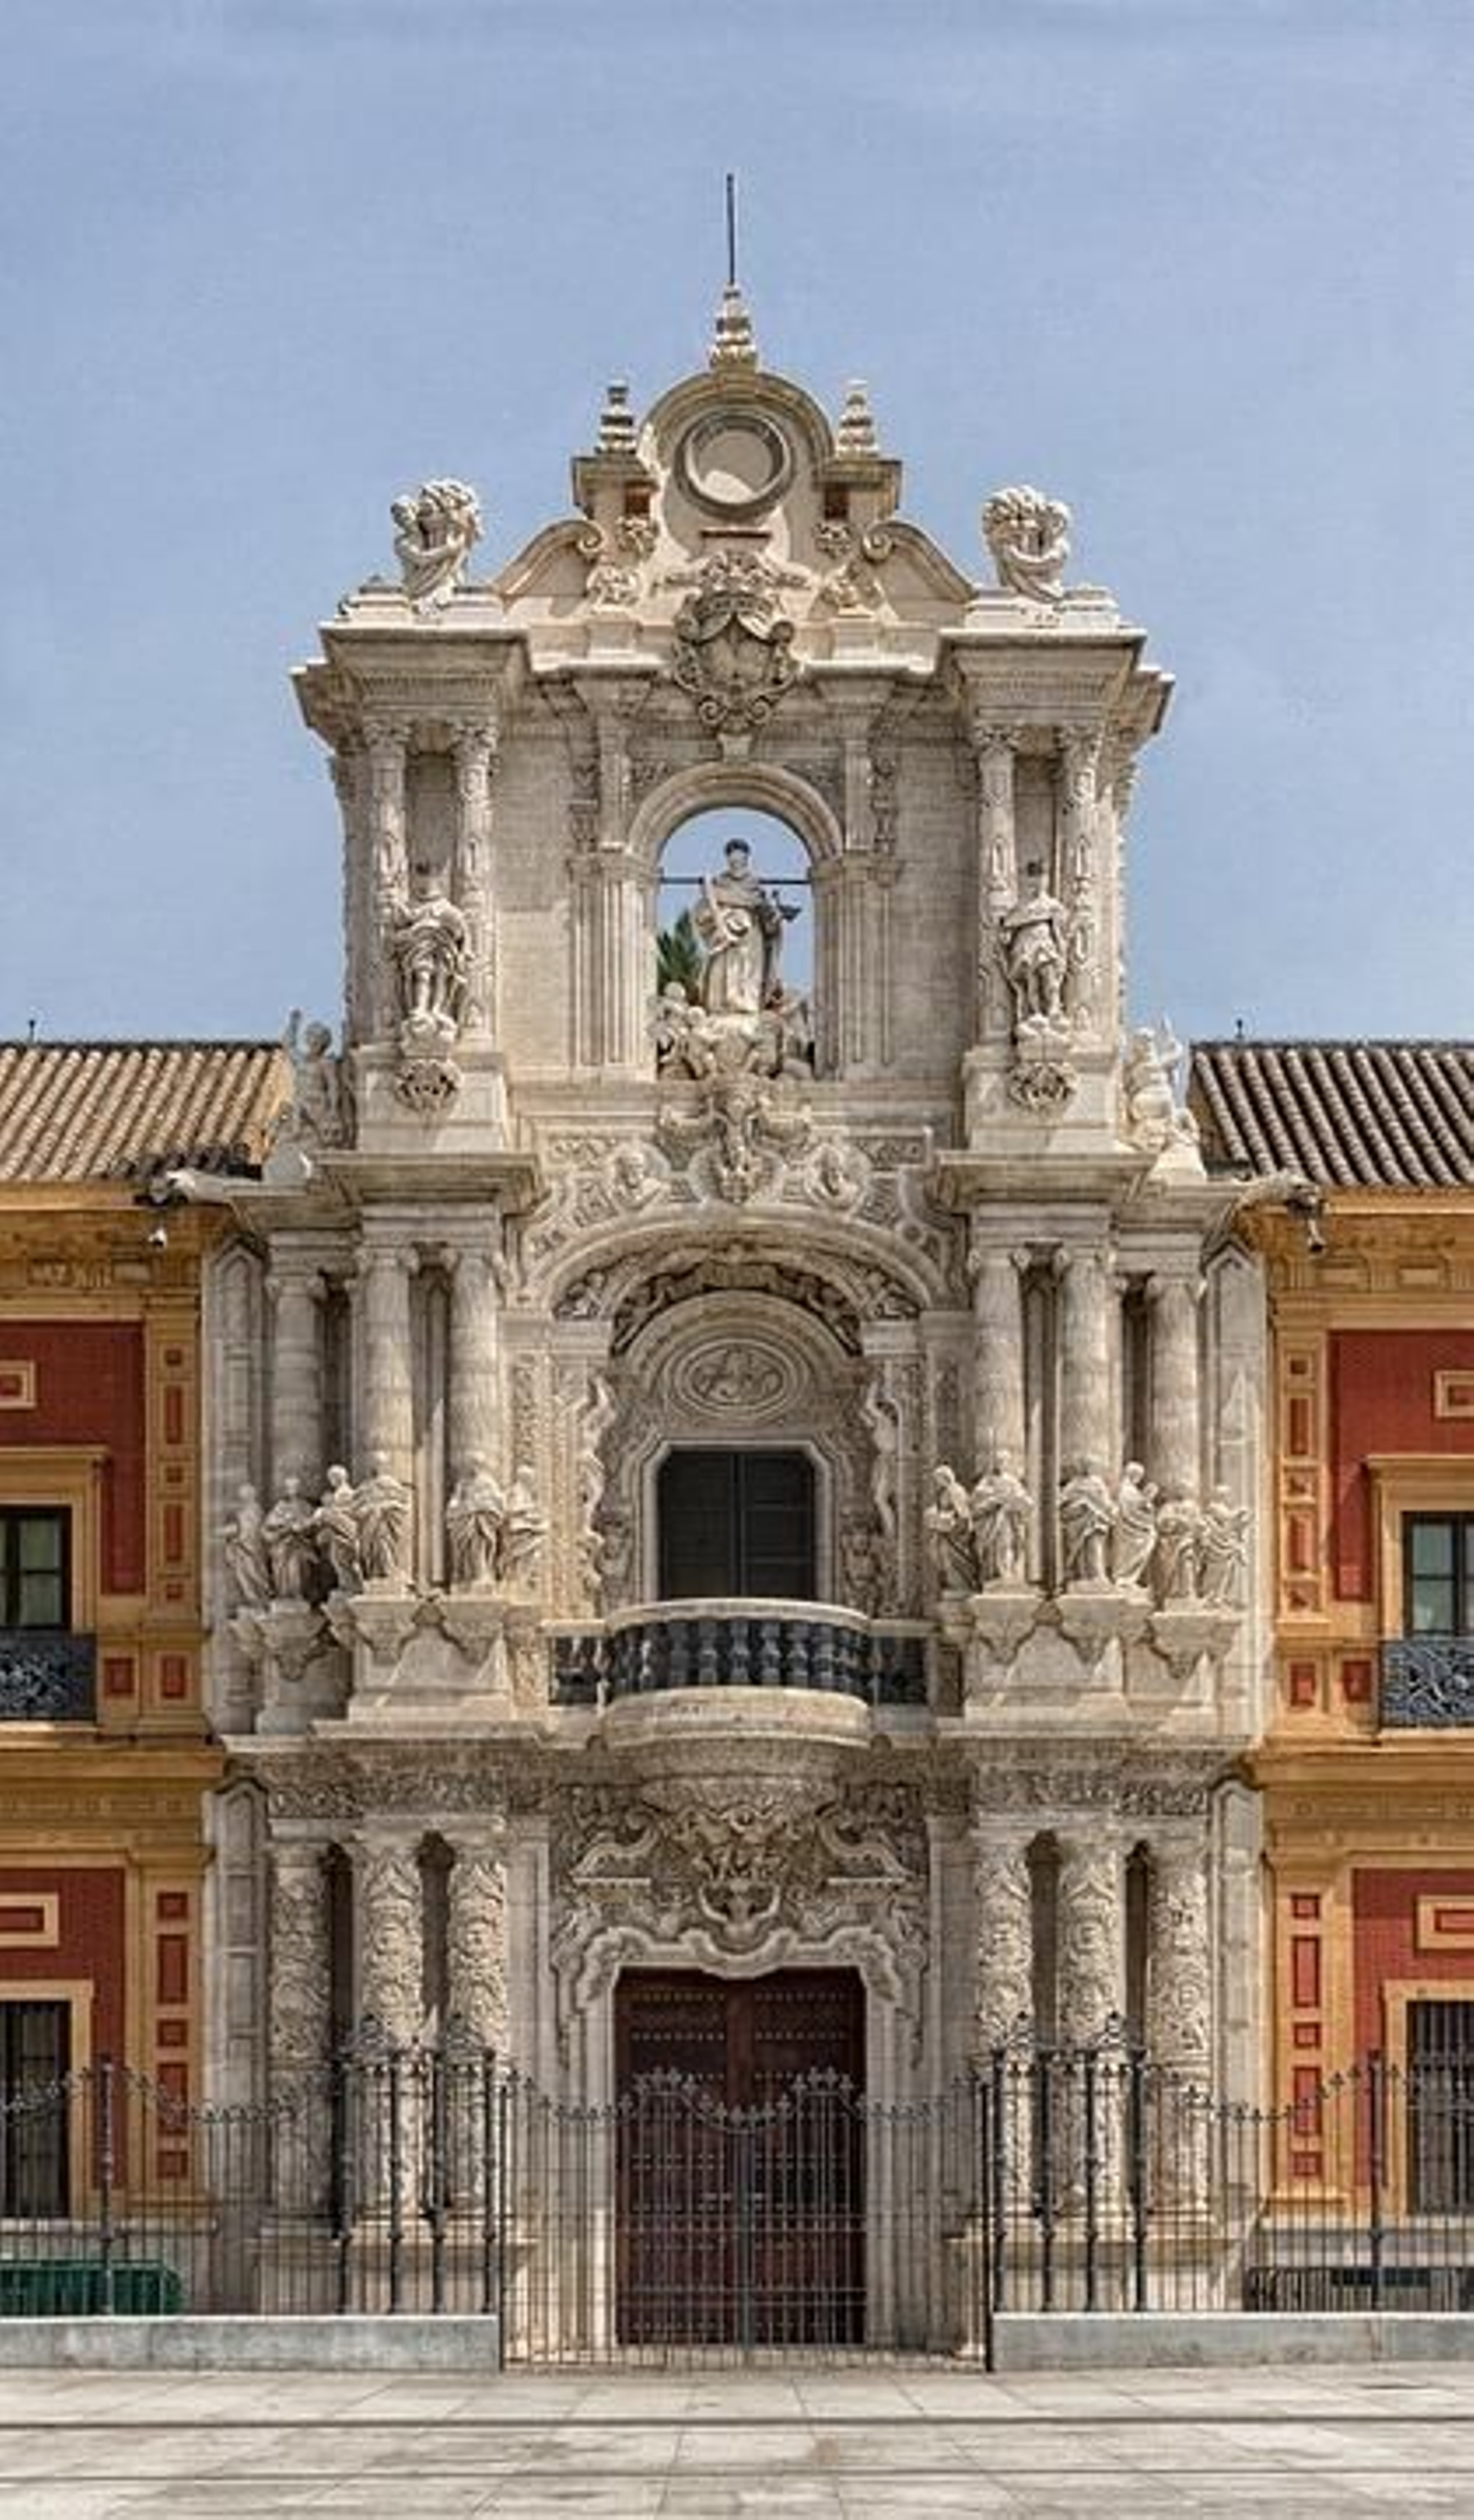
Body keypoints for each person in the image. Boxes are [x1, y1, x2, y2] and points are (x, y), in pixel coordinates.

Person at [693, 838, 796, 1017]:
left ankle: (747, 1003)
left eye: (741, 861)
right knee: (723, 968)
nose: (737, 865)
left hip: (751, 934)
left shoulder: (755, 885)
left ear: (747, 860)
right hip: (725, 932)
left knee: (749, 968)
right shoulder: (717, 882)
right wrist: (722, 915)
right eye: (733, 861)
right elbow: (703, 912)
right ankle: (722, 1003)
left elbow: (765, 914)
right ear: (728, 860)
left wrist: (775, 918)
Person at [1001, 860, 1069, 1025]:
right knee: (1031, 981)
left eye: (1042, 877)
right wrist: (1007, 936)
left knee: (1048, 973)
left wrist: (1062, 951)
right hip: (1025, 946)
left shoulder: (1052, 905)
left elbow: (1060, 931)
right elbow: (1008, 925)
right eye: (1034, 877)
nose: (1038, 881)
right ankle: (1034, 1012)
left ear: (1046, 880)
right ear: (1028, 880)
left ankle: (1053, 1007)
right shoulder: (1021, 906)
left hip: (1045, 944)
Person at [445, 1456, 507, 1589]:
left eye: (474, 1464)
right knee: (465, 1547)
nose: (472, 1468)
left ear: (480, 1465)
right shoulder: (463, 1483)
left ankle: (482, 1574)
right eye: (470, 1465)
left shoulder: (488, 1482)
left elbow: (498, 1501)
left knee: (479, 1546)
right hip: (465, 1519)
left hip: (481, 1521)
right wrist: (455, 1506)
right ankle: (465, 1576)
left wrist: (481, 1505)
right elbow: (456, 1499)